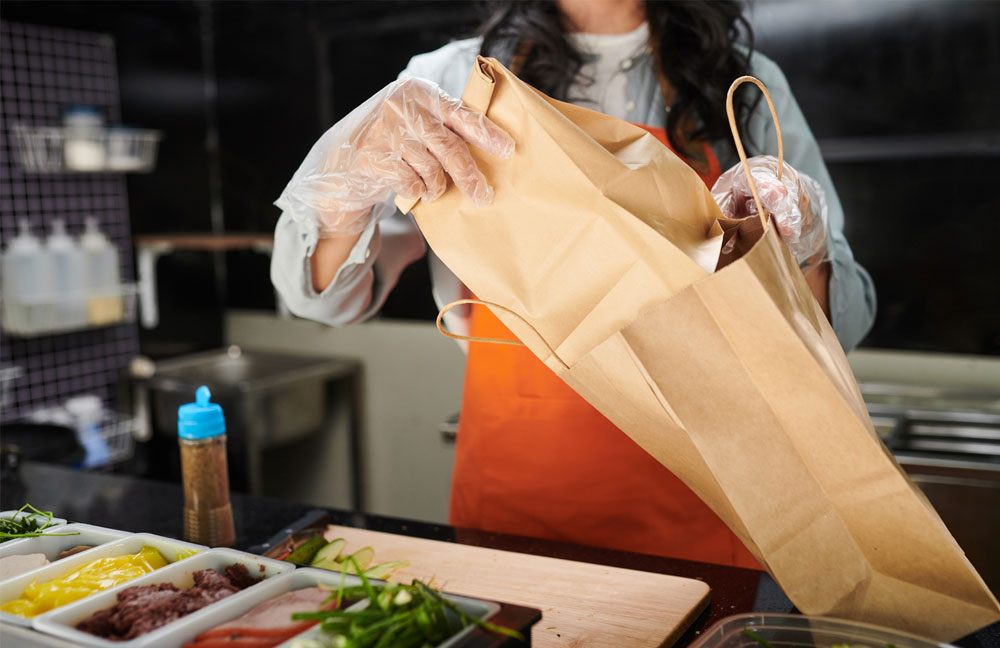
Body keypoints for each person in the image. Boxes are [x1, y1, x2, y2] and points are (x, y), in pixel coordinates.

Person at [271, 0, 876, 569]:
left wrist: (802, 244)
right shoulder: (451, 82)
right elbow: (326, 299)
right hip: (519, 500)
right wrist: (344, 184)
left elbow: (834, 327)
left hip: (710, 503)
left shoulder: (742, 84)